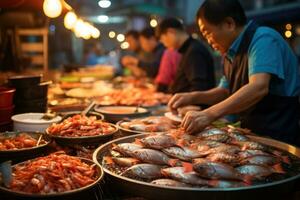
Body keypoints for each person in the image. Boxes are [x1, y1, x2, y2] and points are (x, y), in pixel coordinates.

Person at [168, 0, 300, 145]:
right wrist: (192, 97)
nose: (208, 40)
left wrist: (209, 114)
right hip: (250, 134)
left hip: (278, 136)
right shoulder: (229, 54)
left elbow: (258, 87)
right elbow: (224, 91)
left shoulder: (263, 38)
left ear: (229, 24)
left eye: (207, 32)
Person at [156, 17, 215, 94]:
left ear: (170, 32)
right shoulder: (187, 49)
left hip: (191, 105)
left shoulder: (194, 51)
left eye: (163, 40)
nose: (164, 44)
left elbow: (198, 87)